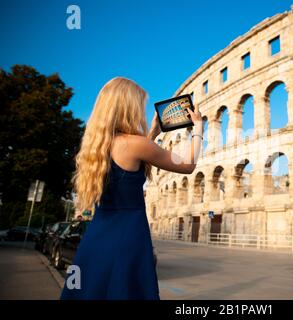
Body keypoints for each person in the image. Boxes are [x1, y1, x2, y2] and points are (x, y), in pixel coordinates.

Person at [60, 77, 203, 300]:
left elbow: (130, 158)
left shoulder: (96, 147)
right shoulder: (136, 144)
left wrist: (153, 134)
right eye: (139, 105)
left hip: (96, 238)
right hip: (129, 238)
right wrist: (198, 129)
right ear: (128, 107)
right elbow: (188, 164)